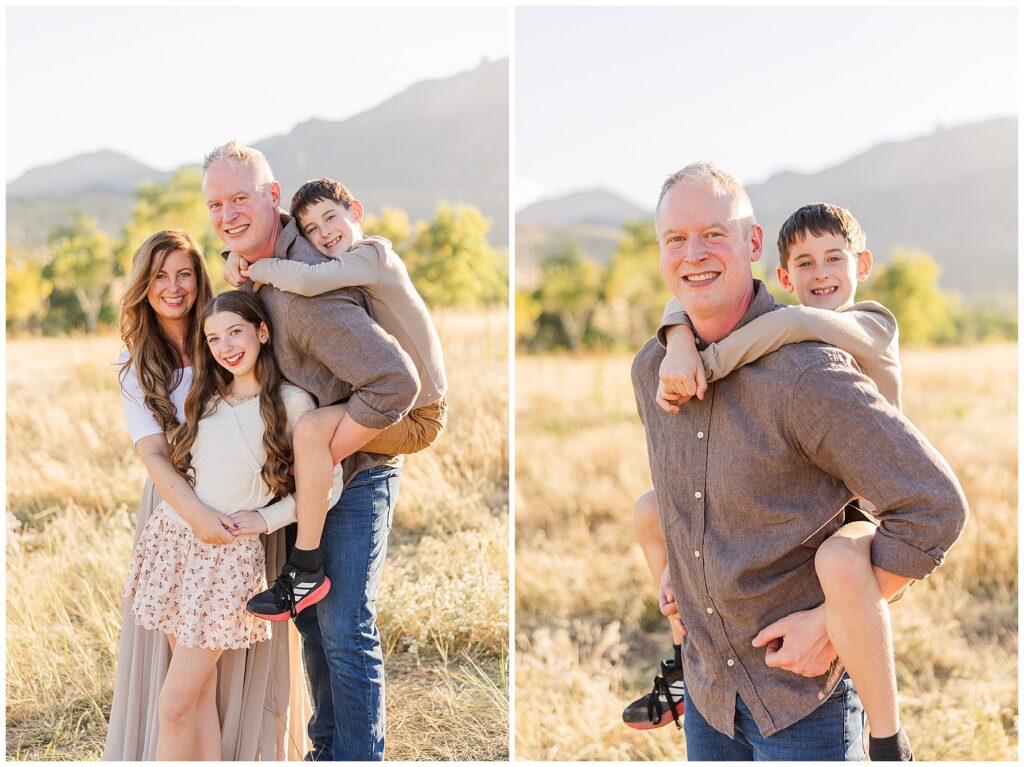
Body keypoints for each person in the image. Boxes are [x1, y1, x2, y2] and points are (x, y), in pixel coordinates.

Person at [630, 162, 968, 760]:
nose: (693, 252)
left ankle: (892, 743)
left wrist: (831, 624)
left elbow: (933, 507)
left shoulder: (808, 369)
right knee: (649, 510)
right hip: (710, 694)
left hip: (802, 701)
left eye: (714, 233)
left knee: (845, 558)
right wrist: (685, 560)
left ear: (753, 244)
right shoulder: (653, 370)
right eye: (675, 238)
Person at [202, 140, 421, 761]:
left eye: (240, 198)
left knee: (345, 625)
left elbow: (395, 383)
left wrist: (325, 456)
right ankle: (329, 750)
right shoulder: (268, 266)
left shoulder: (308, 292)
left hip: (356, 472)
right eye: (216, 204)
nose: (227, 214)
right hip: (308, 481)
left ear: (273, 197)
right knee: (313, 623)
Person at [105, 230, 310, 760]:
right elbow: (153, 453)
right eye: (158, 277)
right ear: (143, 286)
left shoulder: (223, 336)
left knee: (192, 695)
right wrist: (193, 513)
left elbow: (280, 425)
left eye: (183, 274)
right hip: (177, 516)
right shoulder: (138, 365)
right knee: (188, 696)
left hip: (239, 526)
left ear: (200, 278)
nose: (172, 288)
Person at [219, 176, 447, 621]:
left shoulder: (372, 256)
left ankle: (304, 566)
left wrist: (253, 267)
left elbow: (306, 280)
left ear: (356, 212)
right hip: (400, 400)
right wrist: (233, 254)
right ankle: (304, 563)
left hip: (418, 411)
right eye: (311, 230)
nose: (323, 234)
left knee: (310, 439)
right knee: (308, 434)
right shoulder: (348, 256)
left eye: (331, 219)